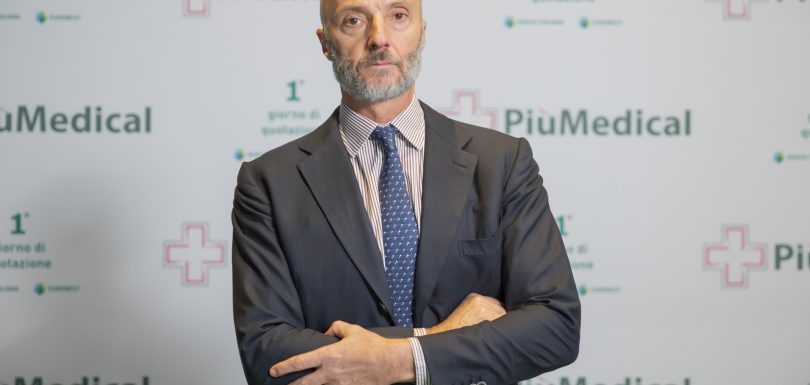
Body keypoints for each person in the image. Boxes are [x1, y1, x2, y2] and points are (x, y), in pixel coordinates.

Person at [231, 0, 581, 384]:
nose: (379, 37)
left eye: (398, 16)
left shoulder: (502, 163)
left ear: (422, 33)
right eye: (354, 20)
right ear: (325, 42)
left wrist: (393, 356)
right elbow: (267, 354)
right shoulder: (268, 184)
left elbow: (556, 326)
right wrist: (430, 340)